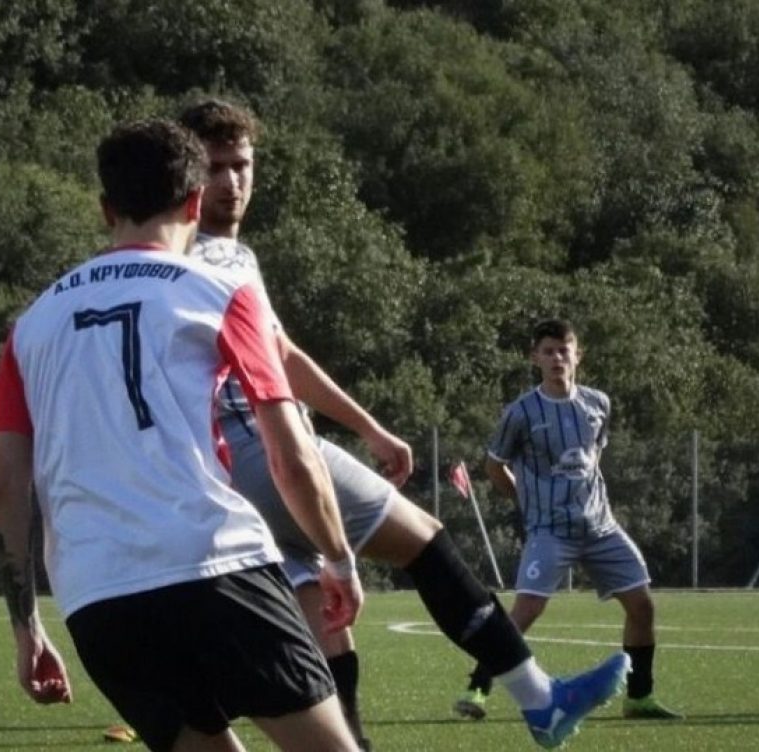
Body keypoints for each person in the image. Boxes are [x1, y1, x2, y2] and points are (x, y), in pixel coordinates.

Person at [177, 98, 630, 750]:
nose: (231, 181)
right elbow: (277, 360)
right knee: (424, 541)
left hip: (227, 469)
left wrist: (369, 427)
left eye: (241, 164)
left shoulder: (196, 254)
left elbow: (283, 353)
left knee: (328, 628)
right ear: (187, 171)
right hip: (262, 446)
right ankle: (541, 700)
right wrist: (366, 431)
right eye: (215, 167)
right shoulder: (217, 259)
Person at [0, 118, 365, 752]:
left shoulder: (28, 329)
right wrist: (338, 557)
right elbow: (290, 454)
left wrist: (26, 628)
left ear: (106, 210)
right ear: (195, 202)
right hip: (215, 566)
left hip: (97, 597)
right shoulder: (221, 293)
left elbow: (3, 491)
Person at [452, 320, 683, 722]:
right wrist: (526, 501)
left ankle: (639, 697)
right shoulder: (521, 412)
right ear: (535, 358)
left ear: (578, 355)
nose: (557, 358)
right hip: (550, 530)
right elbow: (493, 466)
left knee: (642, 606)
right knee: (526, 610)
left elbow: (594, 455)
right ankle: (478, 687)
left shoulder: (598, 403)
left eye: (564, 350)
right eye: (548, 351)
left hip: (600, 527)